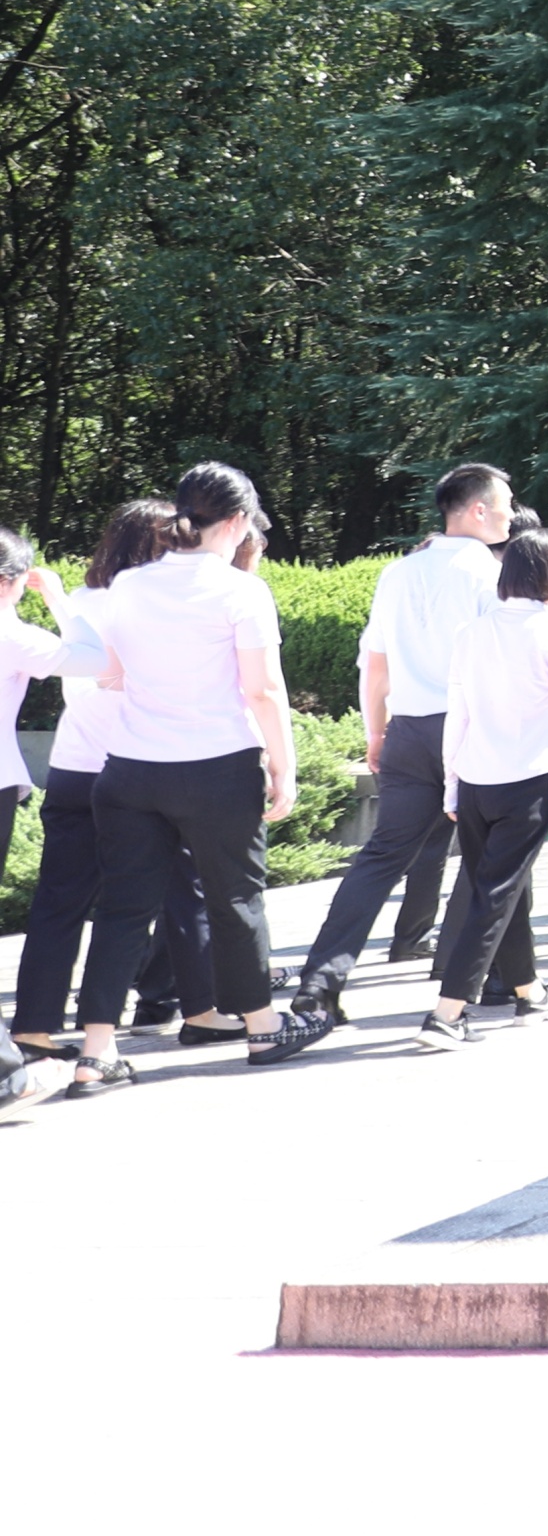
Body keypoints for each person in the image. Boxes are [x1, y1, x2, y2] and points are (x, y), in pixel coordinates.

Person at [58, 462, 304, 1086]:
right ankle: (263, 1028)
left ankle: (95, 1054)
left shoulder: (129, 585)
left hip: (131, 770)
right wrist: (284, 766)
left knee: (122, 910)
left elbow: (109, 674)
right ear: (239, 521)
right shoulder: (241, 591)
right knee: (235, 900)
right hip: (217, 766)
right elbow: (263, 689)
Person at [290, 461, 515, 1040]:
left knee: (380, 858)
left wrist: (376, 733)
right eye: (506, 504)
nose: (511, 515)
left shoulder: (397, 572)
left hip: (408, 729)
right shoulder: (488, 573)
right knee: (493, 854)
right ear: (478, 509)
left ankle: (319, 983)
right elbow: (501, 661)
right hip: (470, 730)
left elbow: (375, 664)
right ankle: (486, 985)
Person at [414, 529, 548, 1050]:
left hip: (476, 784)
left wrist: (451, 787)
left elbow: (457, 716)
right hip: (530, 782)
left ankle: (529, 992)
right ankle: (447, 1014)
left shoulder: (472, 632)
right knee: (496, 896)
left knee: (504, 893)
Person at [12, 501, 176, 1064]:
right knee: (136, 902)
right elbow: (121, 676)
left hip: (72, 765)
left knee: (58, 902)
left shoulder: (81, 600)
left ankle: (33, 1026)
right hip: (135, 765)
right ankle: (136, 1014)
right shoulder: (154, 603)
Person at [0, 528, 62, 1094]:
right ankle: (3, 1070)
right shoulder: (11, 632)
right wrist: (58, 598)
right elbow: (98, 662)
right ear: (10, 582)